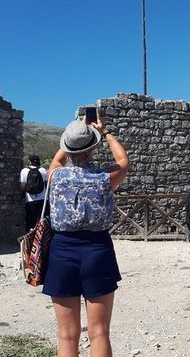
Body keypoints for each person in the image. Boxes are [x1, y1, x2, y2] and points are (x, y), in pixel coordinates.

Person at [44, 115, 130, 357]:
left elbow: (56, 160)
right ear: (94, 148)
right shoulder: (104, 178)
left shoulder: (55, 176)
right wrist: (106, 132)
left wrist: (72, 132)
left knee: (67, 335)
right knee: (99, 332)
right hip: (97, 250)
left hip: (61, 251)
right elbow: (123, 160)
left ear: (66, 148)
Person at [20, 154, 48, 230]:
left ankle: (30, 238)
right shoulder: (43, 170)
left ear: (30, 162)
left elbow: (22, 186)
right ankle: (43, 237)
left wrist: (22, 195)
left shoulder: (24, 171)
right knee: (44, 221)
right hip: (43, 199)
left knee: (31, 221)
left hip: (30, 200)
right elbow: (46, 184)